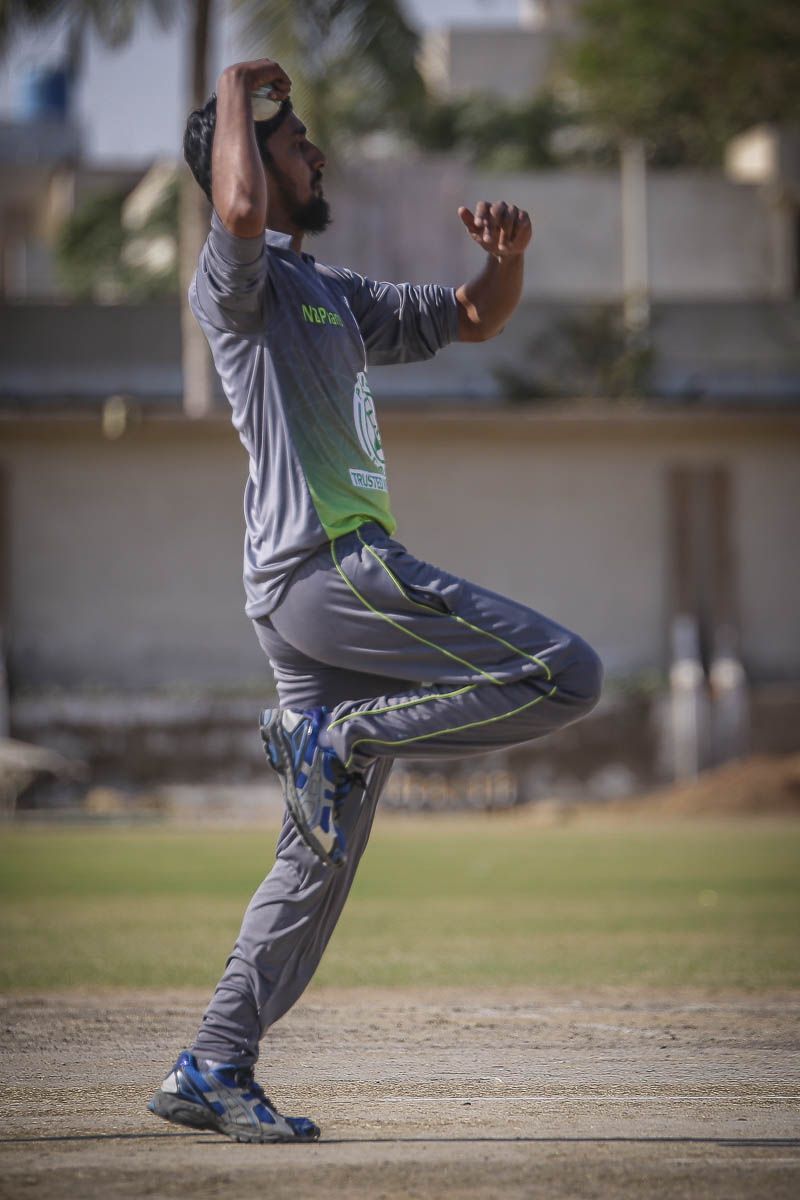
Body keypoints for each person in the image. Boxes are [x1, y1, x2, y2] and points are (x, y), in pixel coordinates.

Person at [148, 58, 603, 1144]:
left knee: (315, 855)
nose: (316, 153)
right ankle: (346, 736)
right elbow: (238, 206)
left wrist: (506, 261)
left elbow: (472, 318)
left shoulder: (332, 293)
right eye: (293, 141)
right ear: (245, 166)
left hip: (310, 596)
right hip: (332, 568)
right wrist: (232, 90)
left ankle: (213, 1062)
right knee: (565, 673)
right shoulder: (233, 281)